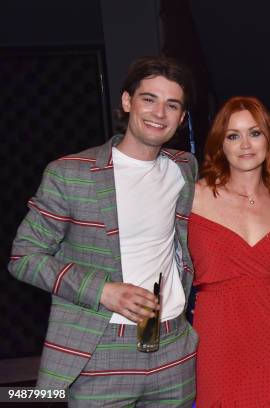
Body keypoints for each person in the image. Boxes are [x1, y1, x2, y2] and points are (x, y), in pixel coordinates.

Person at [7, 56, 199, 406]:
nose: (160, 113)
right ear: (127, 102)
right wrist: (103, 291)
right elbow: (24, 257)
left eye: (172, 105)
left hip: (174, 349)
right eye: (149, 99)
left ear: (182, 117)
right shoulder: (71, 173)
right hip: (102, 348)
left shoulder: (184, 169)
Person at [188, 96, 270, 407]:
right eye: (233, 135)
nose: (245, 145)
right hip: (219, 331)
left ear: (269, 139)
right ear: (220, 144)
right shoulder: (194, 197)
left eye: (254, 133)